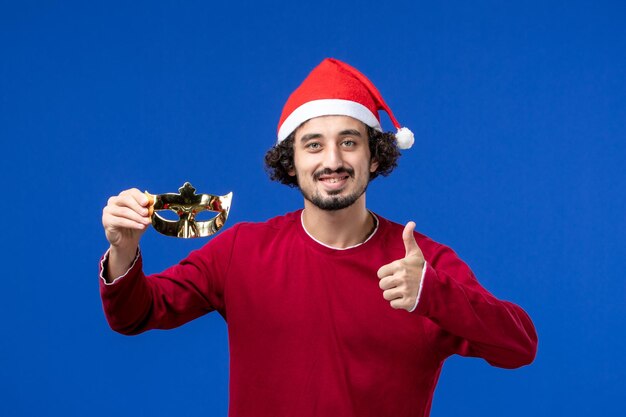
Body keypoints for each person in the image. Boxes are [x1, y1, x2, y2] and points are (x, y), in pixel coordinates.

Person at [100, 58, 538, 417]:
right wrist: (125, 249)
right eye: (313, 145)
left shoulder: (424, 267)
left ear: (375, 156)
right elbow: (136, 314)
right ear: (290, 161)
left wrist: (434, 294)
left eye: (349, 142)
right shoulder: (242, 251)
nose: (332, 160)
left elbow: (519, 345)